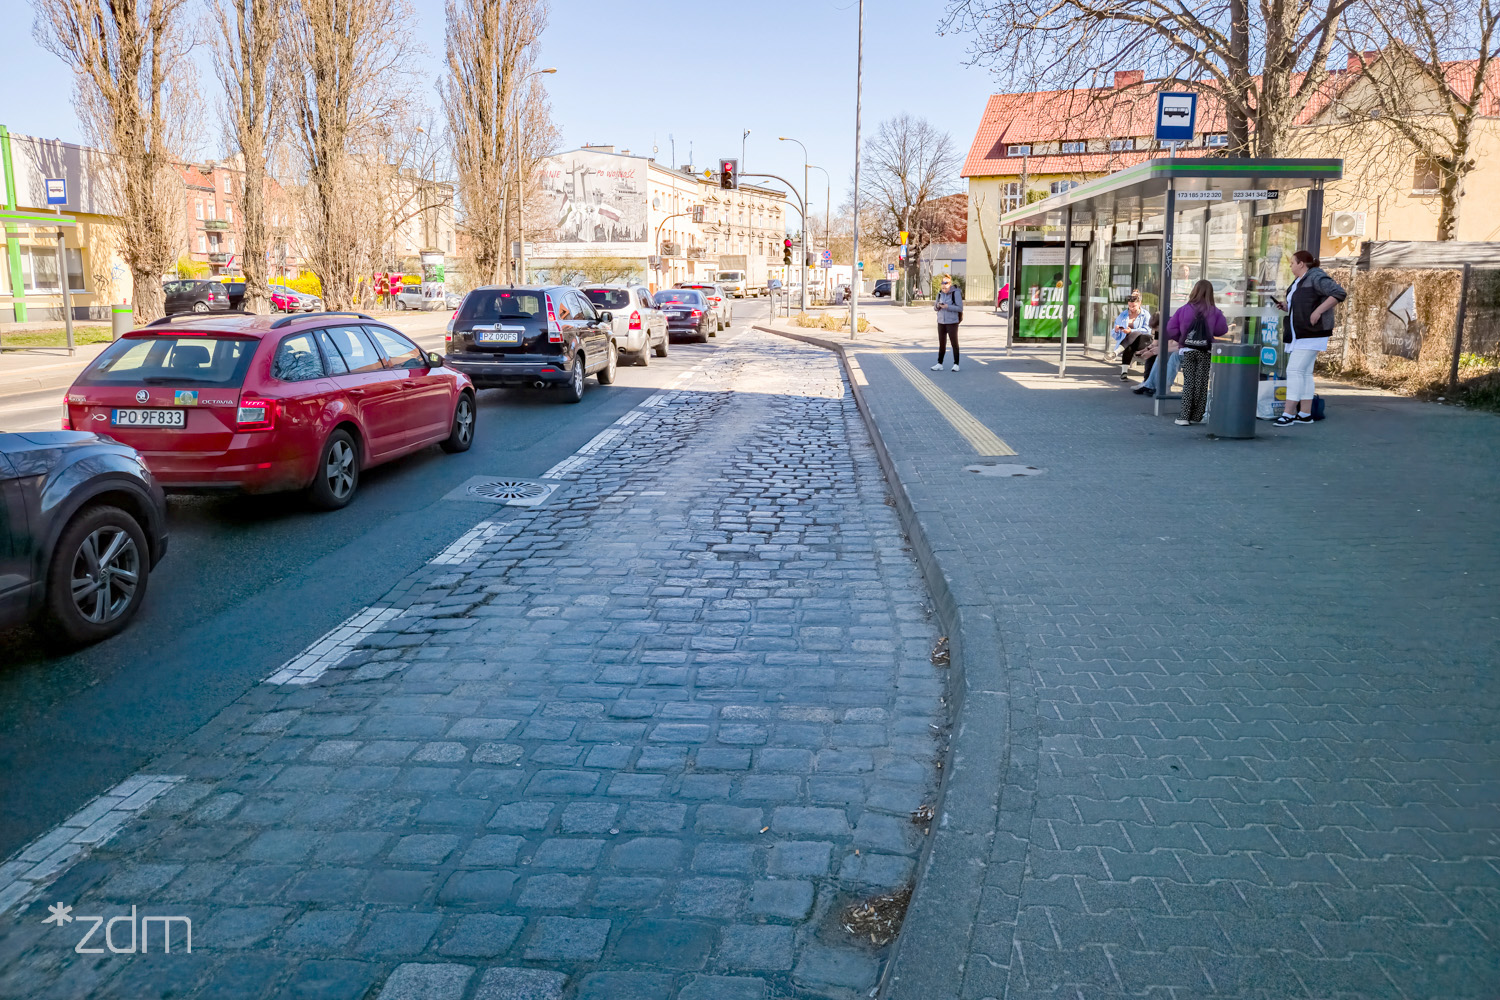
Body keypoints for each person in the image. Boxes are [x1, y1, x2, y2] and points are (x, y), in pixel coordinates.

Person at [1271, 250, 1346, 426]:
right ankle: (1305, 413)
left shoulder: (1316, 276)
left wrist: (1318, 311)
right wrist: (1286, 307)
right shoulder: (1299, 281)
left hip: (1311, 332)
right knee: (1304, 373)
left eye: (1292, 263)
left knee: (1294, 371)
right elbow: (1302, 304)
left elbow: (1339, 293)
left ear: (1301, 264)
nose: (1290, 266)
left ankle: (1288, 414)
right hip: (1302, 332)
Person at [1165, 279, 1228, 425]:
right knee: (1201, 383)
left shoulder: (1184, 309)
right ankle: (1197, 415)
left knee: (1189, 383)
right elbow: (1222, 330)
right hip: (1205, 351)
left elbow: (1171, 328)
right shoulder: (1214, 311)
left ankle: (1184, 417)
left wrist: (1181, 339)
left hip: (1188, 350)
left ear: (1194, 291)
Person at [1111, 292, 1152, 380]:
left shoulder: (1145, 314)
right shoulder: (1123, 315)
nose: (1131, 308)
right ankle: (1124, 372)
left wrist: (1131, 331)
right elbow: (1116, 336)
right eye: (1129, 306)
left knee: (1135, 333)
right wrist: (1116, 330)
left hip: (1143, 341)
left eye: (1134, 306)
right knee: (1129, 345)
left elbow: (1147, 330)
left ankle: (1116, 352)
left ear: (1139, 303)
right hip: (1128, 343)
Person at [931, 274, 964, 372]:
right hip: (941, 321)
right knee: (942, 343)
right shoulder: (940, 294)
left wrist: (947, 307)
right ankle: (939, 363)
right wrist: (938, 305)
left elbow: (960, 308)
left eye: (945, 285)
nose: (944, 288)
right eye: (942, 285)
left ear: (950, 284)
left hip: (952, 321)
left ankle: (956, 364)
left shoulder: (955, 293)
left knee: (954, 343)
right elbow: (934, 308)